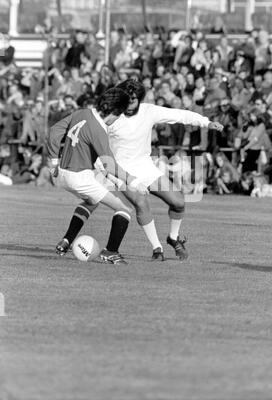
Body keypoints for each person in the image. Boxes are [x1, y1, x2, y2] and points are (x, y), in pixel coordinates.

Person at [103, 79, 223, 261]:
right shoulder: (110, 117)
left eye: (133, 100)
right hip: (121, 171)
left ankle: (173, 238)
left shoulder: (149, 111)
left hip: (145, 167)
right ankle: (157, 248)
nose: (129, 104)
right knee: (141, 203)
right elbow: (94, 139)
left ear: (140, 99)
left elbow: (180, 115)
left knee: (179, 202)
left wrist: (206, 123)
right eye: (126, 100)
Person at [46, 88, 148, 265]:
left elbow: (54, 132)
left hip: (63, 174)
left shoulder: (82, 113)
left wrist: (53, 162)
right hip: (80, 177)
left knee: (90, 202)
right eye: (120, 114)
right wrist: (135, 181)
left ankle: (66, 241)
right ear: (115, 111)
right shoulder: (99, 130)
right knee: (124, 209)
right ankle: (111, 252)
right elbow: (111, 165)